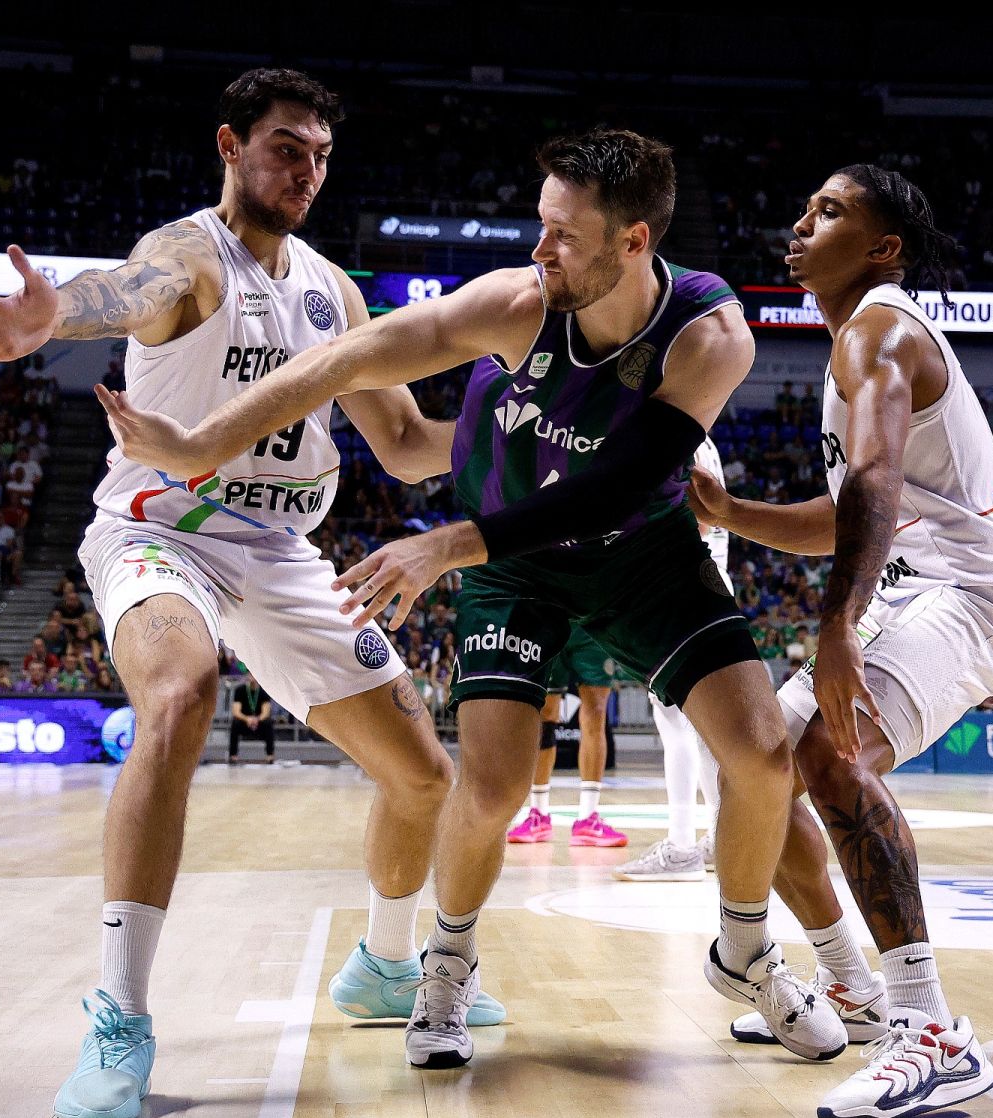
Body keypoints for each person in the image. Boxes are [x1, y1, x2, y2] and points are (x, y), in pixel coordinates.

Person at [101, 126, 848, 1070]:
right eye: (539, 225)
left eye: (563, 236)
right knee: (489, 791)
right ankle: (444, 961)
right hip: (519, 563)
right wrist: (199, 443)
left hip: (639, 552)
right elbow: (345, 360)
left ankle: (744, 949)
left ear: (633, 244)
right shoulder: (517, 303)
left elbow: (620, 486)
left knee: (763, 754)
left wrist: (448, 544)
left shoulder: (712, 333)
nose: (538, 250)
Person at [0, 69, 485, 1118]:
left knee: (423, 778)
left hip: (277, 550)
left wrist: (526, 434)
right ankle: (121, 1012)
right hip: (160, 530)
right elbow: (120, 292)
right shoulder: (189, 256)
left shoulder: (333, 292)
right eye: (286, 147)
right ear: (231, 145)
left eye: (321, 153)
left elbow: (409, 446)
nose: (306, 170)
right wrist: (57, 316)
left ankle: (382, 962)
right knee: (181, 689)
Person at [684, 164, 993, 1118]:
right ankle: (854, 987)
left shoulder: (881, 328)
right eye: (803, 208)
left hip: (976, 594)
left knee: (830, 754)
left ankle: (931, 1033)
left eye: (830, 212)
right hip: (917, 584)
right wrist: (731, 511)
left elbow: (876, 485)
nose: (800, 224)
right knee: (760, 766)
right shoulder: (855, 340)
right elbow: (848, 510)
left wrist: (836, 624)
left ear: (883, 247)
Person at [614, 436, 730, 880]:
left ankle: (682, 847)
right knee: (701, 731)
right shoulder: (703, 438)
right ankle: (720, 837)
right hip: (705, 587)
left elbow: (695, 519)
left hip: (679, 592)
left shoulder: (677, 433)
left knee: (678, 725)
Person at [506, 635, 631, 849]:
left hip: (591, 625)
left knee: (596, 711)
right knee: (543, 713)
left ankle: (588, 815)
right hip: (550, 619)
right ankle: (538, 813)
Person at [227, 666, 275, 764]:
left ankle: (270, 756)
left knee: (268, 724)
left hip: (259, 722)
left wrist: (256, 719)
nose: (252, 676)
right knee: (235, 724)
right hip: (245, 722)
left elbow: (266, 712)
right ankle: (233, 756)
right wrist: (247, 719)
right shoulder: (240, 690)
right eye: (250, 673)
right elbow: (236, 711)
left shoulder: (263, 692)